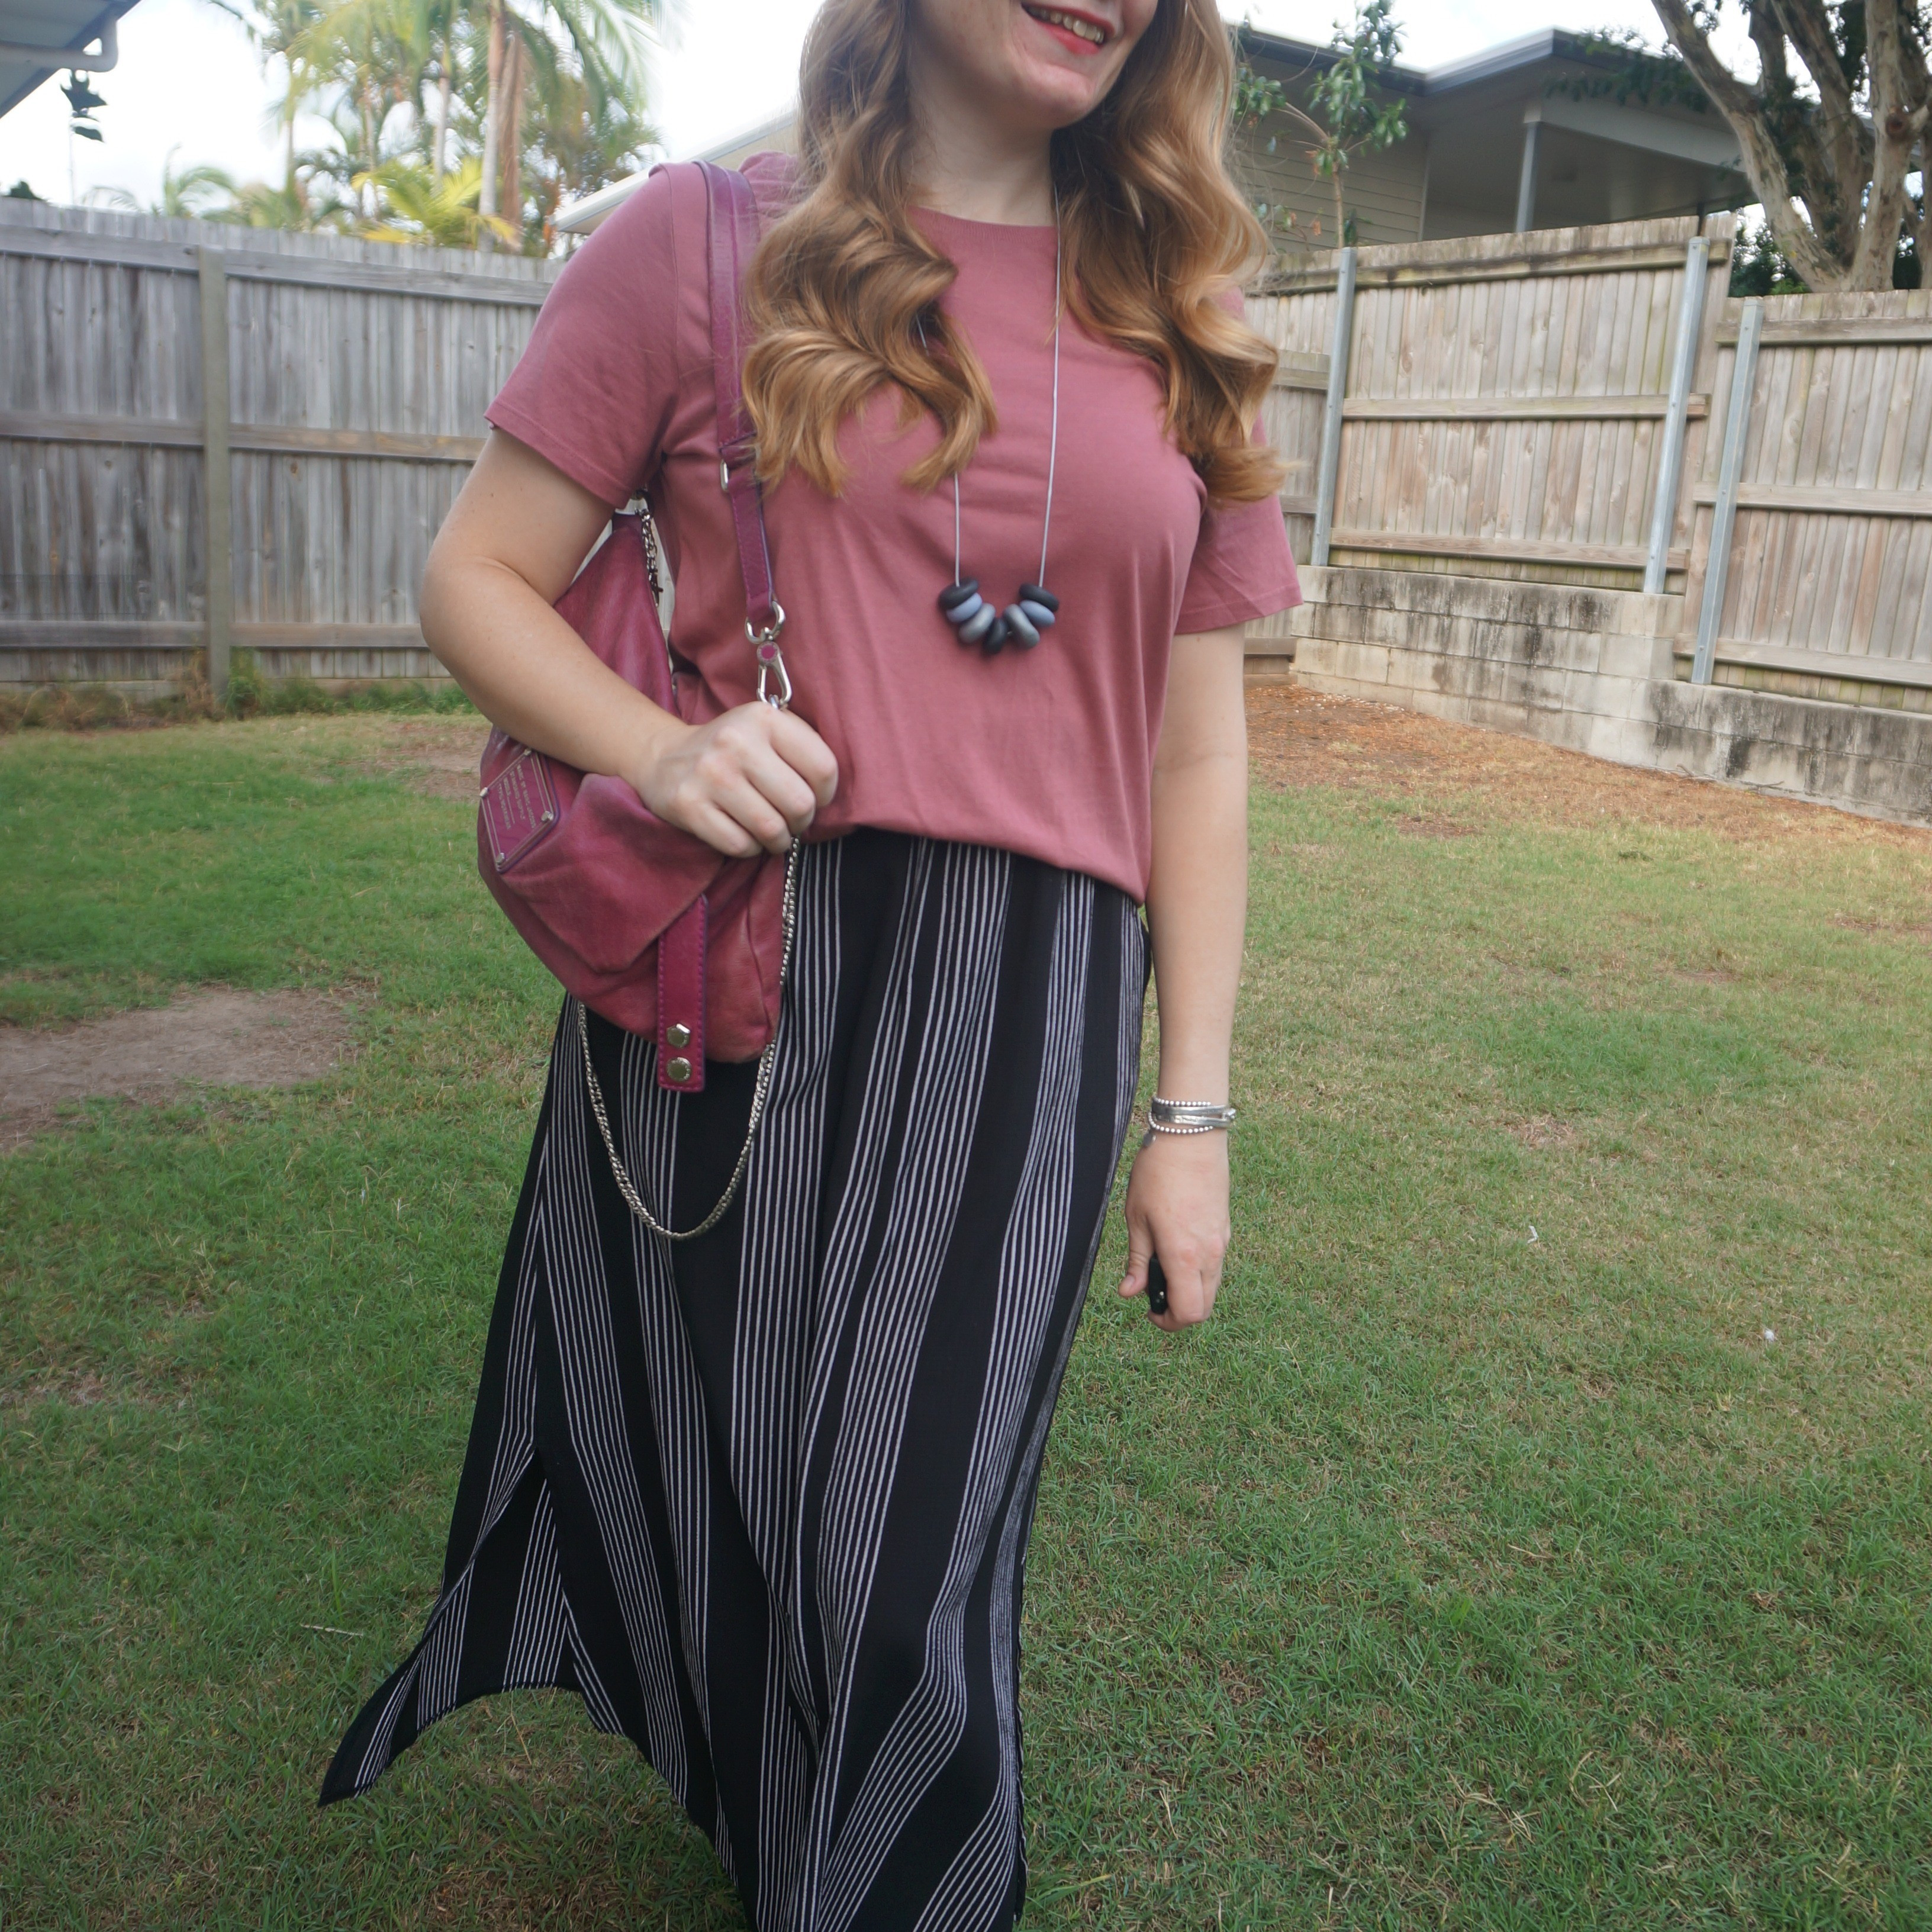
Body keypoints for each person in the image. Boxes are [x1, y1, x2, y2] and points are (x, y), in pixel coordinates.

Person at [320, 1, 1299, 1925]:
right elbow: (473, 576)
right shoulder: (699, 243)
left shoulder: (1181, 311)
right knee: (744, 1480)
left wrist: (1193, 1115)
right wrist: (659, 748)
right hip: (743, 969)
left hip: (1030, 1012)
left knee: (902, 1556)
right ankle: (781, 1826)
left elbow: (1199, 757)